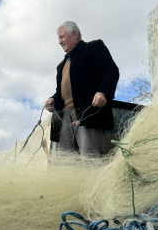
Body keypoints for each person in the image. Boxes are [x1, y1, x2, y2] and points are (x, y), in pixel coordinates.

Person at [45, 21, 119, 157]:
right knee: (63, 164)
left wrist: (103, 92)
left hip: (87, 114)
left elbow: (111, 70)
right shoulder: (61, 66)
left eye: (62, 37)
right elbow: (60, 91)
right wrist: (53, 100)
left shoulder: (93, 47)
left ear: (74, 34)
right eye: (59, 39)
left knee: (90, 161)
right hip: (63, 119)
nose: (59, 42)